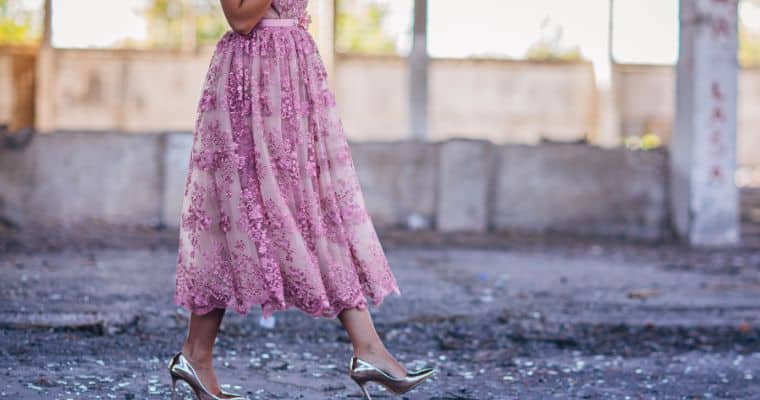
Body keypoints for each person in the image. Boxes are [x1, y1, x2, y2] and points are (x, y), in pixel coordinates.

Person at [167, 1, 437, 399]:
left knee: (319, 208)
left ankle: (198, 357)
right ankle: (197, 355)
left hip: (292, 77)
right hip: (252, 82)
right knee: (242, 217)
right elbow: (240, 18)